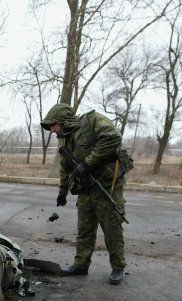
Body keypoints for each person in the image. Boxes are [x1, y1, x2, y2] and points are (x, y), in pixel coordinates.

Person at [40, 103, 132, 285]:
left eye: (53, 126)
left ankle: (118, 267)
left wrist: (88, 163)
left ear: (63, 121)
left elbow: (113, 137)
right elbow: (65, 169)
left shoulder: (91, 121)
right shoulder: (66, 140)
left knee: (112, 228)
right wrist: (62, 192)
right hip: (86, 189)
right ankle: (81, 264)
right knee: (84, 229)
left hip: (107, 186)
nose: (52, 130)